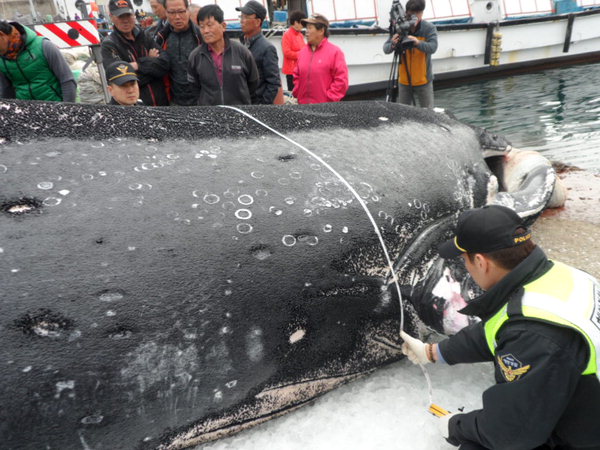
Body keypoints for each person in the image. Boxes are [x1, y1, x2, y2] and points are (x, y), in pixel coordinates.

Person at [400, 205, 600, 450]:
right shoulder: (558, 275)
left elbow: (511, 433)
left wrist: (455, 426)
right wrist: (433, 352)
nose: (468, 270)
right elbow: (496, 329)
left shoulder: (535, 335)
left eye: (465, 261)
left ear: (481, 262)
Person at [187, 4, 258, 106]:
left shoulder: (242, 52)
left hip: (239, 115)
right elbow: (194, 89)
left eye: (210, 25)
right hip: (210, 117)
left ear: (223, 26)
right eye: (201, 26)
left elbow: (253, 84)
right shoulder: (195, 56)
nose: (205, 31)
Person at [102, 0, 169, 106]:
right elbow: (121, 81)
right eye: (120, 17)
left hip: (161, 104)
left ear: (133, 14)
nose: (125, 21)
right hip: (135, 109)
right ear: (111, 17)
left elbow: (165, 64)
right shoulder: (109, 45)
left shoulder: (145, 36)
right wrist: (151, 64)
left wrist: (138, 65)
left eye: (128, 15)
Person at [0, 20, 76, 102]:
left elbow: (67, 81)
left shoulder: (44, 46)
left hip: (55, 107)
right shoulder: (2, 60)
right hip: (26, 111)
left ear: (1, 34)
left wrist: (67, 110)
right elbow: (6, 90)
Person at [383, 0, 437, 108]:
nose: (415, 17)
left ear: (422, 13)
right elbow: (386, 49)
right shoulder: (400, 27)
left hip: (423, 80)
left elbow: (433, 47)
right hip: (404, 81)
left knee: (428, 113)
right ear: (406, 13)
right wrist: (393, 43)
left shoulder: (429, 28)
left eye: (418, 14)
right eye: (412, 14)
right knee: (404, 112)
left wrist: (418, 43)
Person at [292, 14, 348, 104]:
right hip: (303, 106)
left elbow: (341, 80)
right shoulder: (302, 53)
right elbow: (296, 75)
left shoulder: (335, 52)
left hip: (325, 109)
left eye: (310, 28)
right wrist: (298, 92)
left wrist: (328, 99)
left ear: (321, 30)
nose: (306, 32)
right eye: (306, 28)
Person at [155, 0, 202, 105]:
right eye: (172, 12)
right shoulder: (161, 38)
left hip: (201, 101)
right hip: (173, 101)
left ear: (188, 11)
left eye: (181, 11)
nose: (177, 17)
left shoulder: (200, 36)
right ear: (166, 13)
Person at [236, 0, 281, 104]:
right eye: (241, 17)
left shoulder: (267, 48)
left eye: (246, 17)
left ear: (257, 22)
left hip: (256, 107)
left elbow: (273, 83)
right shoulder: (241, 45)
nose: (242, 20)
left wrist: (261, 107)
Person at [281, 9, 306, 92]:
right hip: (291, 72)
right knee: (293, 93)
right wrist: (301, 54)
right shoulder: (287, 35)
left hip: (300, 70)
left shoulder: (300, 35)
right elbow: (287, 52)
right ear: (296, 23)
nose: (303, 26)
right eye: (302, 23)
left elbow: (305, 49)